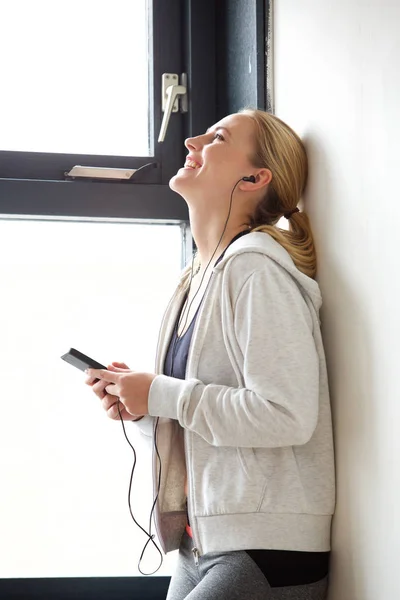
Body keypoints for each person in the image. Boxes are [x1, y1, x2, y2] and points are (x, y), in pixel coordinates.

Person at [85, 108, 335, 600]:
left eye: (217, 137)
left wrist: (162, 393)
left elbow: (286, 415)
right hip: (201, 544)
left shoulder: (256, 272)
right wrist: (142, 407)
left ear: (255, 177)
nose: (191, 142)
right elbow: (205, 419)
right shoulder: (193, 281)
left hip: (264, 550)